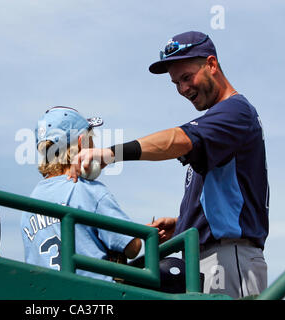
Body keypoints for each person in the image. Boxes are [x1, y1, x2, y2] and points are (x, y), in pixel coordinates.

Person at [69, 31, 269, 298]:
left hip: (230, 258)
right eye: (176, 83)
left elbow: (178, 139)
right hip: (211, 256)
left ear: (211, 64)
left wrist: (110, 153)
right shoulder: (222, 119)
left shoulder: (235, 110)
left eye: (187, 77)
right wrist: (185, 223)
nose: (183, 89)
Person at [21, 106, 141, 282]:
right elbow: (132, 247)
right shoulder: (89, 190)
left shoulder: (30, 201)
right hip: (93, 296)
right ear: (81, 143)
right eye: (91, 140)